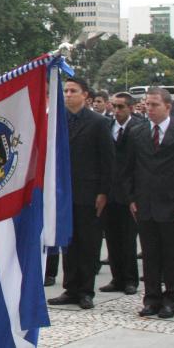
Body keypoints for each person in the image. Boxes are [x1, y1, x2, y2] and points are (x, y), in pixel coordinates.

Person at [48, 77, 114, 310]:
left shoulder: (98, 123)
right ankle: (71, 288)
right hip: (64, 192)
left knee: (88, 242)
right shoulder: (58, 121)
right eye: (65, 91)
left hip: (89, 192)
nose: (68, 94)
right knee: (69, 242)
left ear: (85, 95)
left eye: (73, 91)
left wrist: (103, 192)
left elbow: (107, 160)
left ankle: (86, 290)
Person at [123, 87, 174, 319]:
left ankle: (171, 299)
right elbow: (128, 168)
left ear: (168, 106)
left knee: (173, 256)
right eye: (147, 104)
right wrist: (131, 198)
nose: (149, 109)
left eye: (155, 104)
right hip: (145, 204)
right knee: (150, 255)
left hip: (173, 205)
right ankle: (151, 299)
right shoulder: (137, 132)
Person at [99, 92, 143, 297]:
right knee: (112, 237)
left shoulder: (138, 128)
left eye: (121, 107)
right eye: (114, 106)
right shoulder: (107, 126)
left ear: (131, 108)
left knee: (128, 239)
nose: (116, 111)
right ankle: (117, 278)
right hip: (109, 191)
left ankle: (130, 279)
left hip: (128, 193)